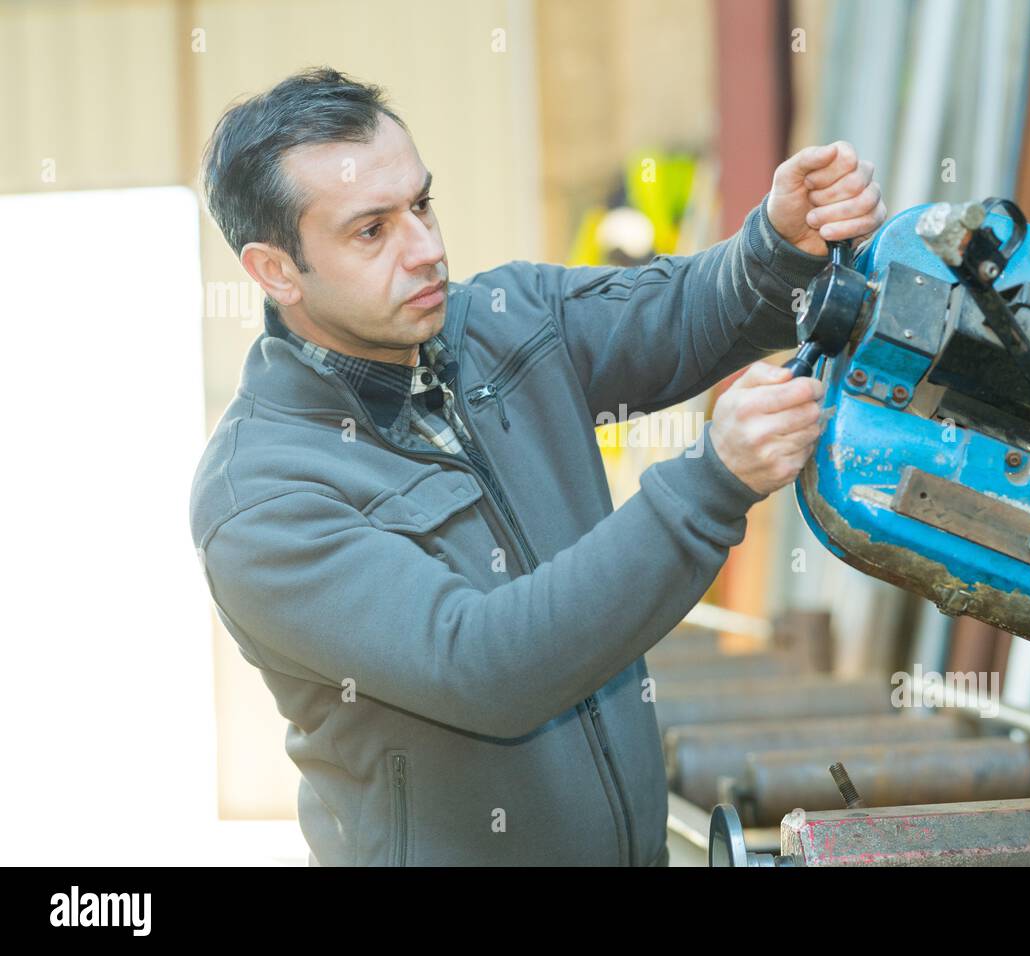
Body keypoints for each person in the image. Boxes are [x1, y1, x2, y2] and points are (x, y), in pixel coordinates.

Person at [190, 67, 887, 866]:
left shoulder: (504, 319)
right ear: (275, 271)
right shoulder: (262, 497)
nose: (429, 250)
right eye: (372, 231)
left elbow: (683, 313)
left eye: (420, 204)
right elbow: (486, 665)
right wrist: (711, 483)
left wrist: (777, 242)